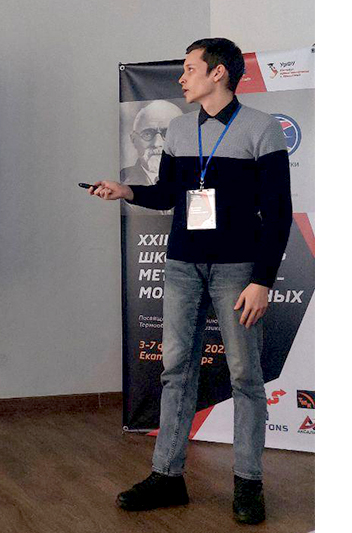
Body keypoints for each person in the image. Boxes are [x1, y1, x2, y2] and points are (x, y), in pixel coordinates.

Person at [89, 38, 291, 525]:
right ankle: (167, 476)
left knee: (245, 376)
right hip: (182, 264)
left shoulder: (262, 128)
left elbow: (279, 213)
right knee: (176, 370)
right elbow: (168, 194)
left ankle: (248, 482)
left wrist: (262, 280)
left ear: (218, 73)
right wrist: (126, 189)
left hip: (237, 269)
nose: (181, 78)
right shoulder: (181, 128)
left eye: (189, 69)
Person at [120, 101, 183, 215]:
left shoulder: (199, 177)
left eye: (168, 134)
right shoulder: (121, 181)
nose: (157, 143)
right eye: (147, 134)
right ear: (134, 140)